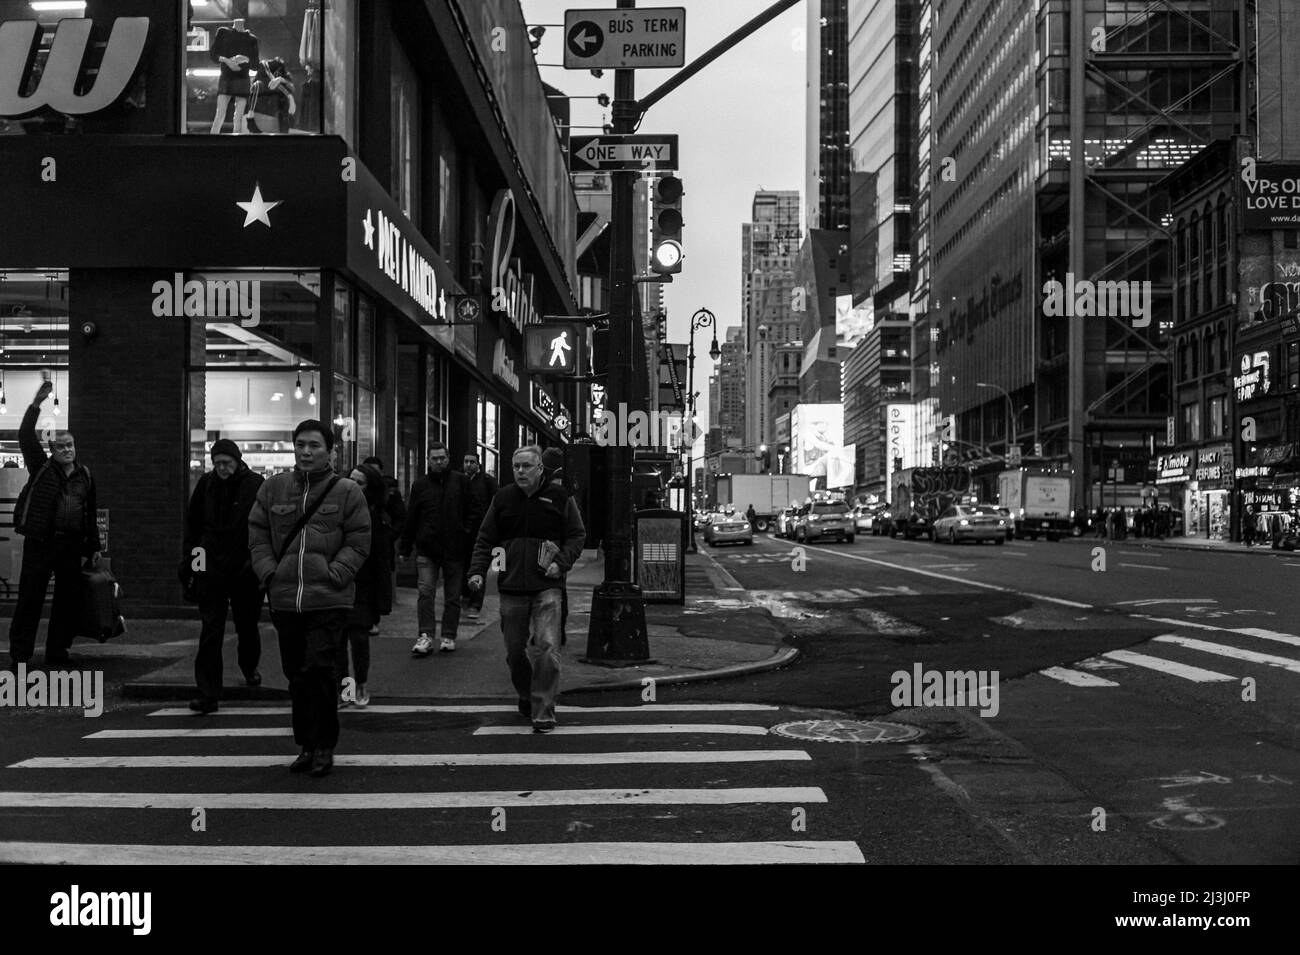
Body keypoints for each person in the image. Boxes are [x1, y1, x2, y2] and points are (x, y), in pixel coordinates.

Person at [248, 420, 369, 778]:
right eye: (300, 444)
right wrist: (269, 572)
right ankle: (306, 744)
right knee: (296, 676)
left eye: (314, 445)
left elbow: (360, 539)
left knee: (320, 670)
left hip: (328, 599)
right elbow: (256, 533)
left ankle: (324, 746)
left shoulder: (347, 491)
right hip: (285, 600)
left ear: (330, 450)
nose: (305, 451)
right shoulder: (273, 489)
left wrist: (337, 573)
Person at [467, 446, 585, 733]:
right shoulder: (503, 498)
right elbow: (485, 539)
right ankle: (527, 692)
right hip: (511, 588)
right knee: (513, 650)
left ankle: (543, 710)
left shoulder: (559, 497)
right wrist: (477, 572)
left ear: (540, 469)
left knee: (547, 648)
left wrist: (561, 562)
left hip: (548, 586)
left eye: (527, 466)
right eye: (516, 465)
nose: (520, 471)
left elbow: (576, 534)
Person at [6, 381, 102, 670]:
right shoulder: (41, 466)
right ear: (52, 450)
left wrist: (93, 546)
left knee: (66, 603)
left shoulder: (85, 476)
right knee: (29, 600)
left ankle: (57, 653)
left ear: (75, 447)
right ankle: (20, 657)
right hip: (41, 542)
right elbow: (25, 435)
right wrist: (36, 404)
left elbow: (90, 513)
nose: (66, 450)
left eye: (70, 445)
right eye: (60, 447)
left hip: (70, 545)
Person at [181, 439, 265, 714]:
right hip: (211, 568)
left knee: (247, 625)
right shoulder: (207, 484)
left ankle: (249, 665)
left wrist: (256, 563)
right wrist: (194, 568)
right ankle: (208, 693)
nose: (222, 468)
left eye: (226, 463)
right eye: (217, 463)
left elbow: (263, 527)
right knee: (211, 630)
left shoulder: (255, 483)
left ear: (238, 461)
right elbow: (194, 529)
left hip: (244, 569)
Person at [400, 442, 470, 655]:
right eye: (434, 458)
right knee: (426, 593)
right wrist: (405, 546)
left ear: (448, 458)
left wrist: (466, 535)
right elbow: (412, 516)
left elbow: (473, 511)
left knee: (452, 595)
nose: (439, 462)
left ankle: (448, 635)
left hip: (454, 548)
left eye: (442, 458)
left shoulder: (461, 482)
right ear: (428, 460)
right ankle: (426, 635)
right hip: (427, 548)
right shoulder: (420, 485)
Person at [336, 463, 392, 709]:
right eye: (352, 480)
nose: (353, 486)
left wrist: (382, 599)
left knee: (358, 638)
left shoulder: (376, 515)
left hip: (364, 585)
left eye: (360, 482)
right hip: (338, 580)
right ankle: (345, 689)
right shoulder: (337, 508)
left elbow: (381, 558)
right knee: (337, 640)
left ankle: (360, 683)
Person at [361, 456, 405, 635]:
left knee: (377, 580)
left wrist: (389, 537)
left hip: (379, 546)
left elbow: (400, 517)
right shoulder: (351, 493)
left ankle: (373, 617)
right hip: (359, 548)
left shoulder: (389, 493)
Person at [461, 451, 499, 620]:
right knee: (463, 566)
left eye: (472, 462)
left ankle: (475, 604)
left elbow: (495, 504)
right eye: (466, 461)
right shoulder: (459, 480)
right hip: (462, 532)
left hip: (480, 532)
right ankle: (466, 595)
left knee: (478, 566)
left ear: (478, 464)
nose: (468, 465)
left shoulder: (487, 482)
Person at [541, 447, 570, 647]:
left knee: (553, 589)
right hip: (556, 542)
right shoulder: (563, 479)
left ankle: (554, 631)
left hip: (552, 542)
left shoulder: (554, 482)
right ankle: (555, 631)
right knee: (556, 589)